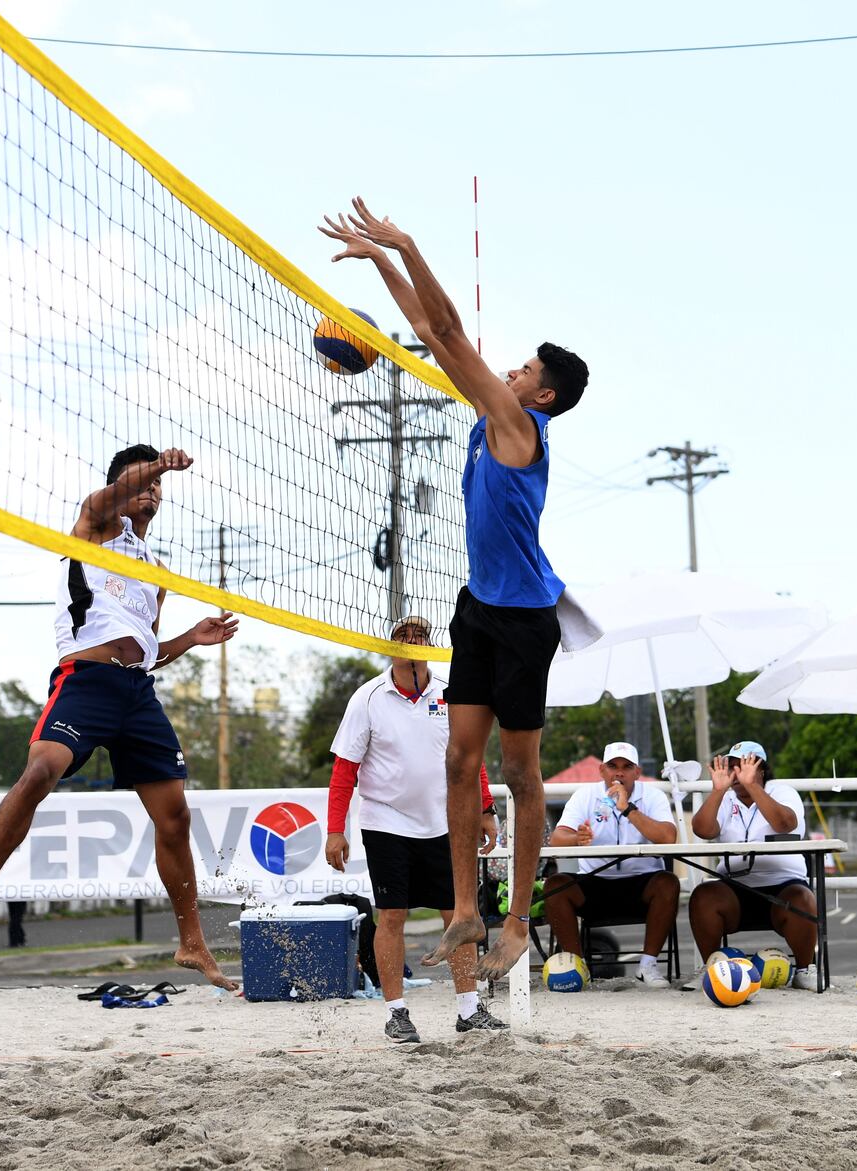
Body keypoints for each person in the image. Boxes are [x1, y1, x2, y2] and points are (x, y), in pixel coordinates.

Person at [319, 199, 589, 979]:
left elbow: (446, 334)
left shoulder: (519, 428)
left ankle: (513, 920)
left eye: (526, 371)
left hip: (526, 620)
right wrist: (382, 265)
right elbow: (436, 338)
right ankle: (466, 909)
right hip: (477, 611)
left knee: (520, 775)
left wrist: (403, 246)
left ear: (540, 396)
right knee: (458, 761)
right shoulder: (489, 414)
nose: (511, 370)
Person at [0, 445, 239, 989]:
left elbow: (146, 649)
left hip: (137, 693)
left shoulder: (156, 573)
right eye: (138, 482)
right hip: (85, 681)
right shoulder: (94, 526)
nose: (149, 491)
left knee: (176, 817)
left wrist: (190, 639)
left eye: (155, 487)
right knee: (39, 773)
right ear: (120, 487)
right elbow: (113, 497)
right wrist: (159, 465)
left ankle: (192, 944)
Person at [325, 614, 506, 1042]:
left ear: (428, 646)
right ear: (391, 647)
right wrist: (336, 829)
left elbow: (471, 758)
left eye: (419, 636)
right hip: (386, 820)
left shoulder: (451, 693)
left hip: (447, 820)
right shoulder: (367, 698)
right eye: (403, 636)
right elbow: (343, 770)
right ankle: (397, 1012)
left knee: (460, 914)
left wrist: (484, 808)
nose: (411, 641)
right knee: (391, 916)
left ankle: (468, 1009)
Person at [542, 743, 679, 988]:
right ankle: (577, 967)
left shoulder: (653, 795)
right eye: (613, 767)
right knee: (556, 886)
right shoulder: (585, 795)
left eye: (626, 767)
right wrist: (577, 839)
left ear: (637, 772)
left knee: (668, 882)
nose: (619, 773)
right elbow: (557, 838)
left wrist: (628, 809)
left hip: (642, 881)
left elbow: (668, 837)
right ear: (602, 770)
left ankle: (647, 965)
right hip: (594, 882)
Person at [688, 741, 818, 991]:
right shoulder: (725, 798)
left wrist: (753, 787)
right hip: (735, 888)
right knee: (704, 895)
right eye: (732, 767)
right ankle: (712, 969)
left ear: (762, 769)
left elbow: (785, 824)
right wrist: (716, 791)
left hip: (783, 885)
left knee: (803, 898)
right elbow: (702, 830)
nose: (736, 773)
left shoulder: (782, 791)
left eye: (743, 766)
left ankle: (804, 969)